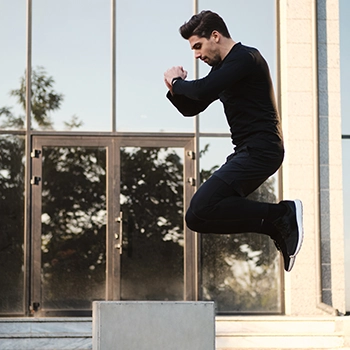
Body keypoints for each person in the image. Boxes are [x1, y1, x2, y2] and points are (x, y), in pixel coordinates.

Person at [164, 10, 303, 272]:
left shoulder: (246, 58)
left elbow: (202, 90)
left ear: (215, 36)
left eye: (198, 46)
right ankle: (275, 224)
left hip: (262, 149)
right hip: (246, 151)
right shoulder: (222, 69)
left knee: (204, 205)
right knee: (197, 217)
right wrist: (174, 88)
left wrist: (176, 81)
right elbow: (190, 108)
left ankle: (283, 214)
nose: (196, 55)